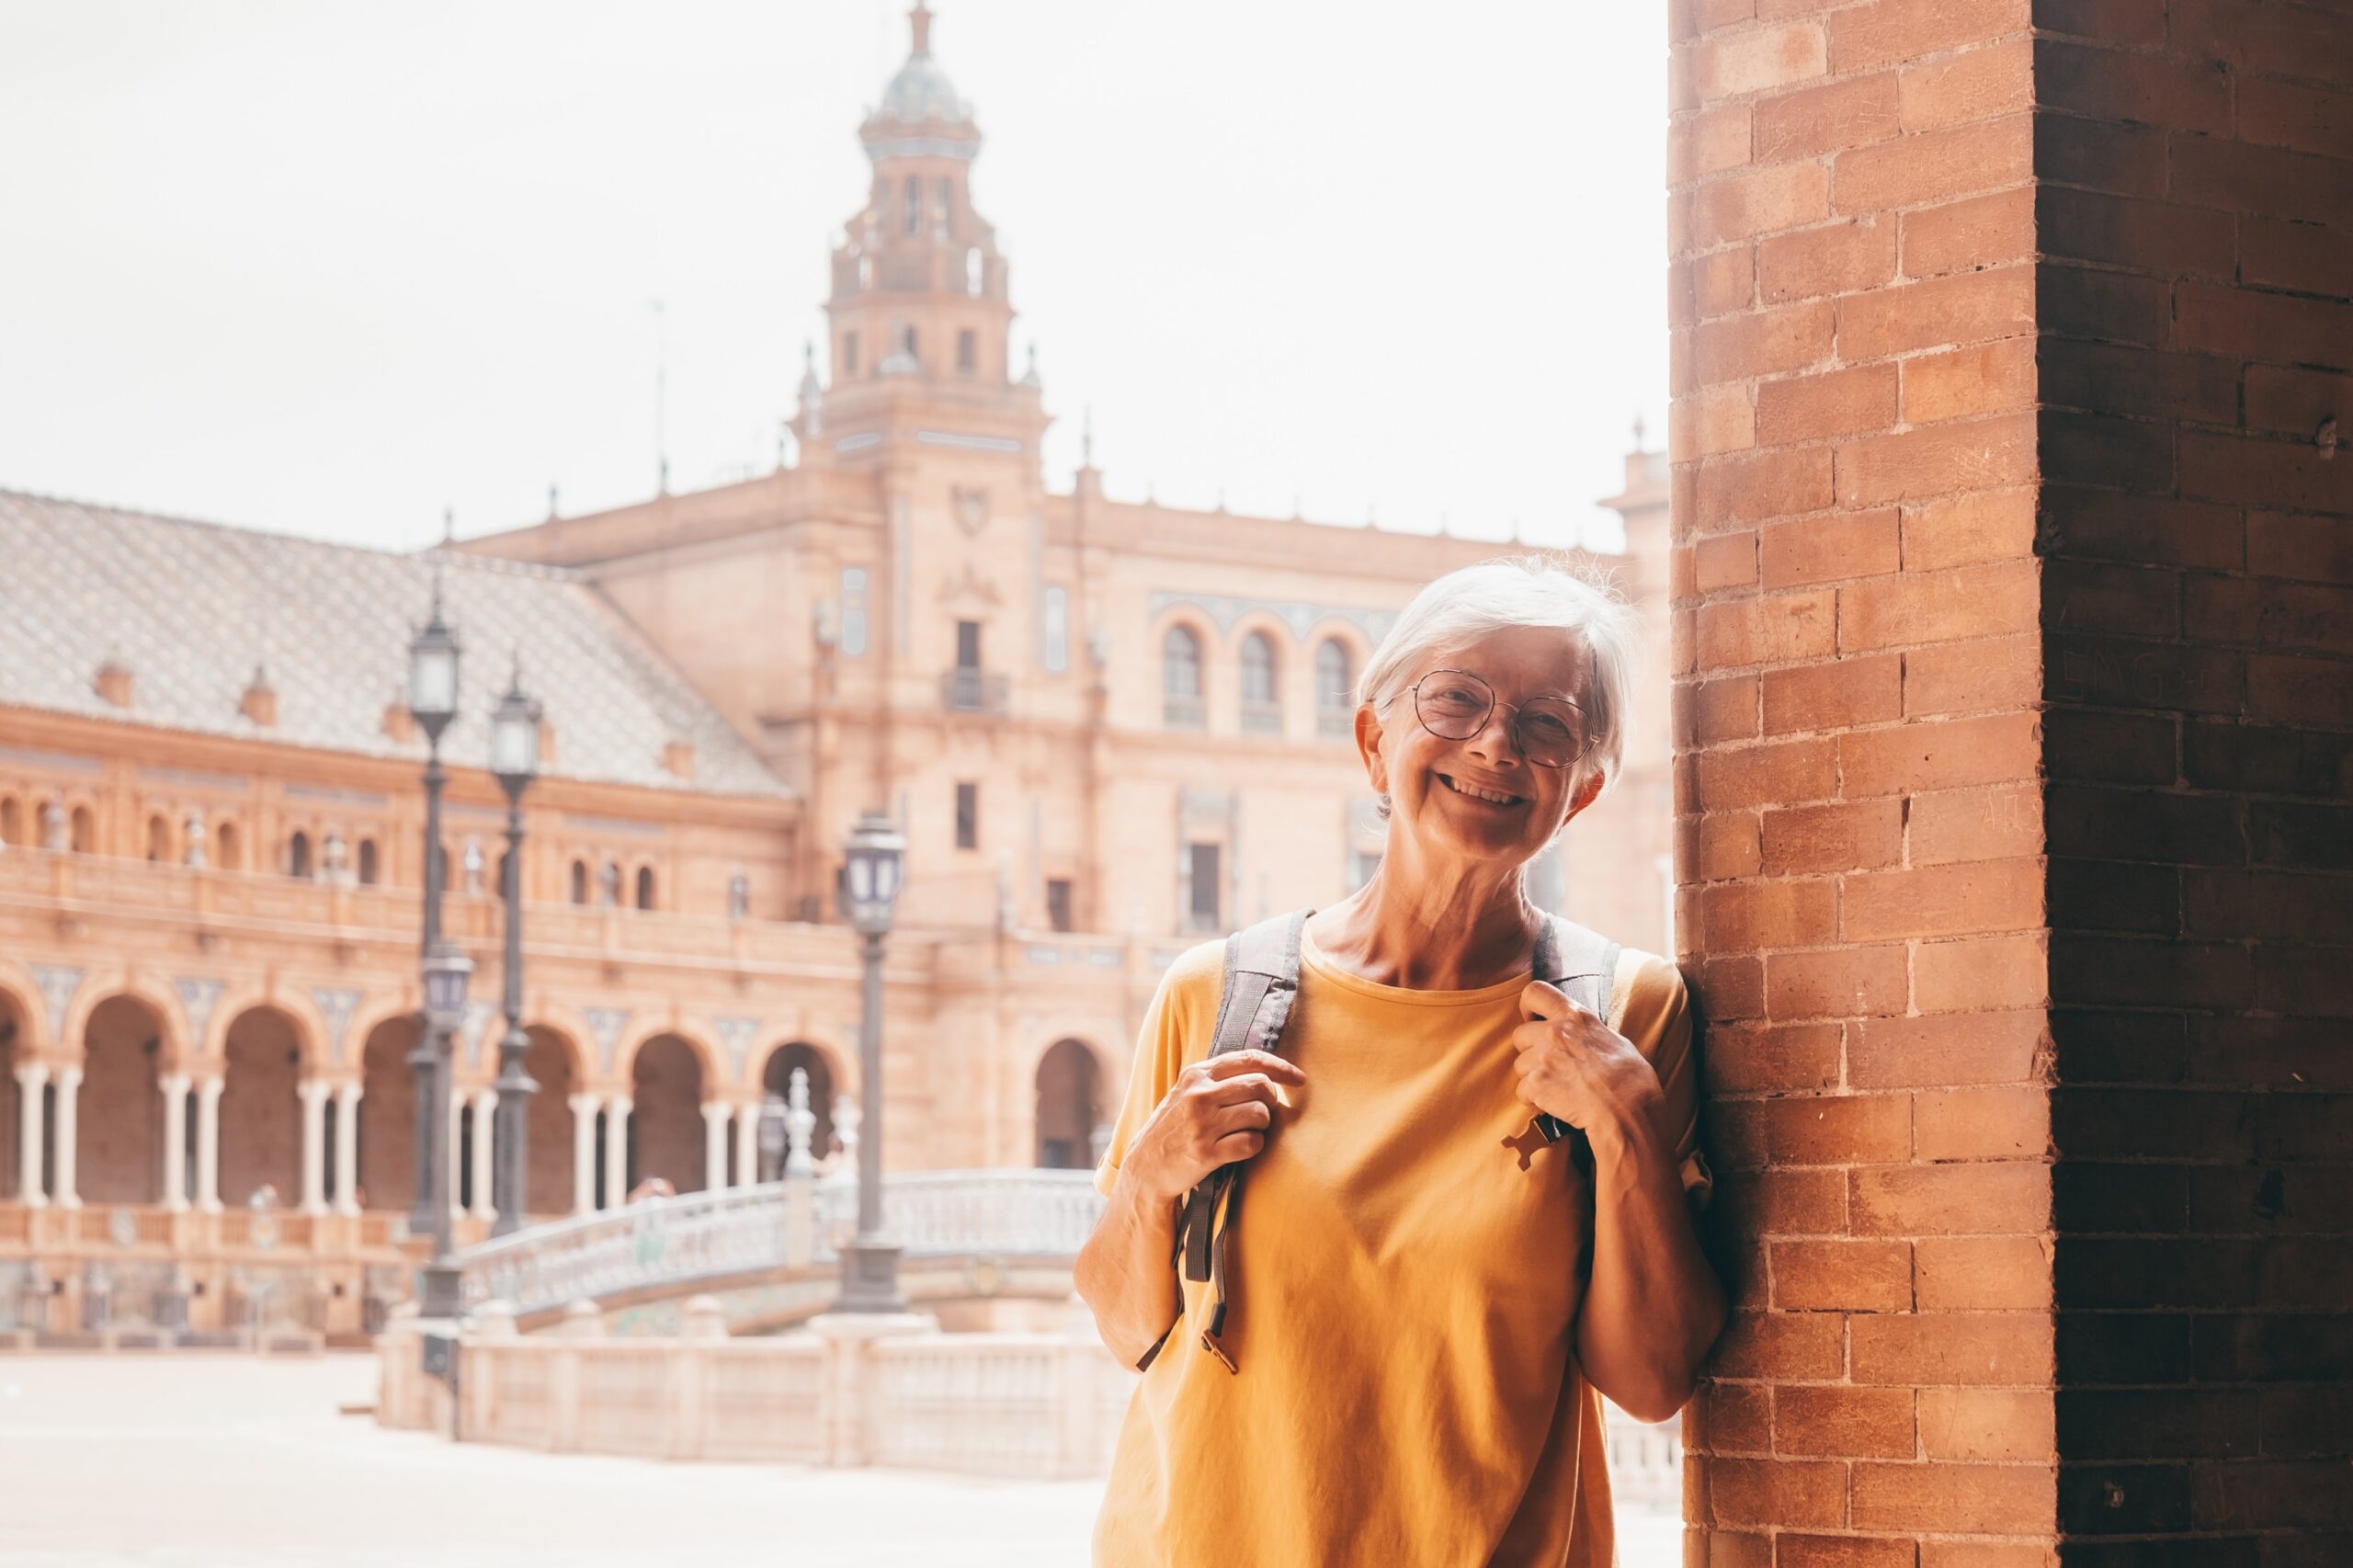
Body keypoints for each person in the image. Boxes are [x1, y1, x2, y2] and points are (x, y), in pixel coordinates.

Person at [1075, 555, 1725, 1566]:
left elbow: (1649, 1381)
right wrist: (1153, 1175)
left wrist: (1629, 1125)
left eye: (1547, 722)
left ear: (1582, 790)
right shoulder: (1214, 993)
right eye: (1456, 698)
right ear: (1374, 741)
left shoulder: (1628, 1012)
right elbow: (1127, 1328)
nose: (1496, 742)